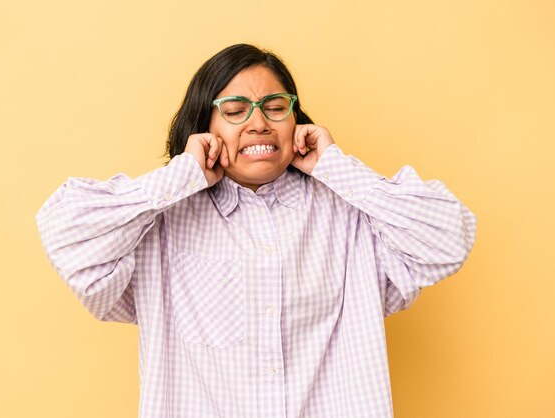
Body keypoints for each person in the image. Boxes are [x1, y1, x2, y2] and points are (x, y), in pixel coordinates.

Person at [35, 43, 477, 418]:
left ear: (296, 120)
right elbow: (66, 236)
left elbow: (448, 237)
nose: (259, 122)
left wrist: (337, 168)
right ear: (204, 126)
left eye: (275, 106)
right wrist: (180, 176)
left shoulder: (350, 217)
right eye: (234, 110)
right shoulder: (160, 225)